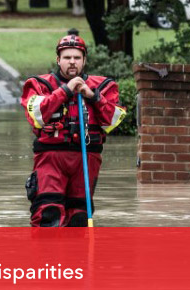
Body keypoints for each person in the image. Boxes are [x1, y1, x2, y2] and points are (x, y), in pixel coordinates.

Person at [20, 30, 127, 227]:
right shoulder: (39, 84)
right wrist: (65, 90)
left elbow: (113, 120)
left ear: (84, 60)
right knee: (48, 213)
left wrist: (92, 96)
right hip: (51, 157)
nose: (72, 62)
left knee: (79, 217)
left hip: (86, 159)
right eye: (67, 57)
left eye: (77, 57)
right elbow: (36, 116)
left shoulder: (104, 86)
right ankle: (48, 258)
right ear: (58, 59)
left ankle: (77, 257)